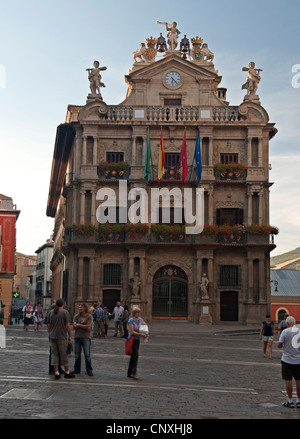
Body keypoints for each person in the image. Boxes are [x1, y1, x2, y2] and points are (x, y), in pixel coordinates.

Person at [47, 299, 75, 380]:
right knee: (64, 354)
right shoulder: (65, 312)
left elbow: (48, 325)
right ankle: (67, 372)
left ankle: (56, 373)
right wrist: (69, 335)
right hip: (61, 337)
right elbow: (68, 325)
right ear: (63, 304)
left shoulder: (51, 312)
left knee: (54, 355)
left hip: (52, 336)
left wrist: (50, 334)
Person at [278, 316, 300, 408]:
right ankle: (299, 401)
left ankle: (290, 401)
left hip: (287, 359)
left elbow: (279, 345)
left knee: (288, 380)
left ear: (287, 324)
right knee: (298, 380)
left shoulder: (285, 332)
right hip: (298, 360)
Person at [72, 303, 93, 376]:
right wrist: (82, 325)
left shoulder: (89, 316)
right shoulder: (76, 316)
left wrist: (79, 325)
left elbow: (88, 327)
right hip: (77, 337)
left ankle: (89, 370)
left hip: (86, 337)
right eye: (79, 307)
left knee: (87, 355)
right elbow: (74, 327)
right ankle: (77, 369)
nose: (79, 309)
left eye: (81, 307)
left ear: (85, 308)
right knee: (77, 354)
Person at [127, 307, 147, 380]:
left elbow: (145, 325)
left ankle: (129, 373)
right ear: (134, 313)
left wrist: (145, 332)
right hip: (132, 339)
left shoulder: (140, 320)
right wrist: (141, 334)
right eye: (137, 312)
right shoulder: (131, 320)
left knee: (133, 356)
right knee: (135, 356)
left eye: (139, 312)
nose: (138, 314)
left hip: (137, 340)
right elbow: (132, 331)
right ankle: (134, 373)